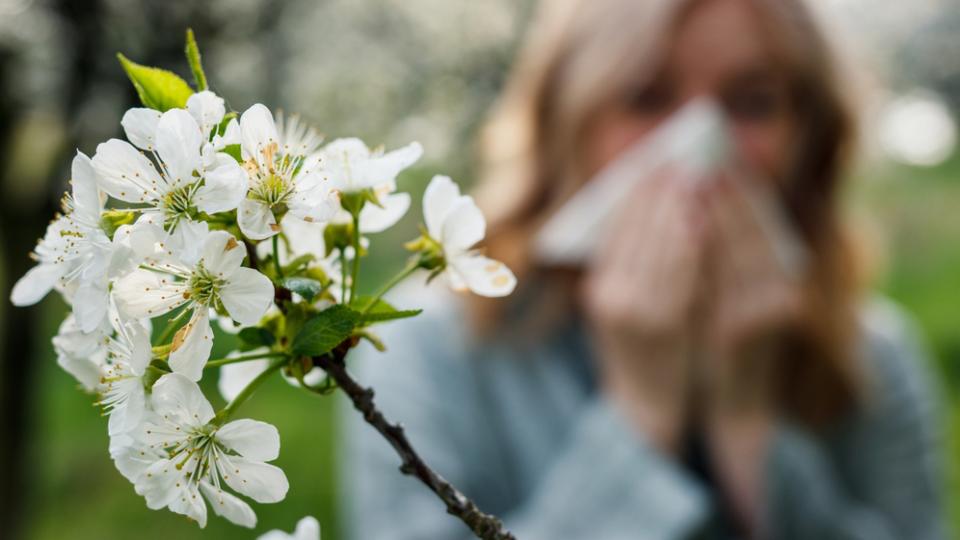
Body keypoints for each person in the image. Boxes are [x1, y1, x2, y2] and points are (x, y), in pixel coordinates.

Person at [341, 0, 947, 538]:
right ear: (565, 124)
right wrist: (640, 408)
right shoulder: (429, 351)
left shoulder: (873, 361)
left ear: (809, 139)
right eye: (646, 96)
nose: (700, 142)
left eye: (753, 102)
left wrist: (747, 419)